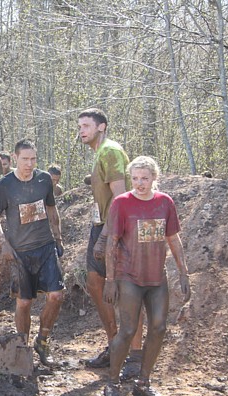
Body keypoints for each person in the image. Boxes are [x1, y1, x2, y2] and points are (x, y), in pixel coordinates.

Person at [102, 156, 190, 396]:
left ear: (154, 178)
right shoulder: (122, 203)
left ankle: (143, 383)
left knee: (159, 328)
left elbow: (173, 239)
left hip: (156, 277)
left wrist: (184, 272)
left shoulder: (165, 203)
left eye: (145, 178)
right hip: (129, 276)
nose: (140, 183)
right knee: (128, 330)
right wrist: (110, 280)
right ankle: (112, 383)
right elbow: (111, 242)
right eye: (136, 178)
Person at [0, 139, 64, 366]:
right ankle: (23, 345)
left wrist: (58, 237)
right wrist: (3, 243)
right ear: (15, 158)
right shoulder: (4, 185)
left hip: (45, 246)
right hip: (20, 252)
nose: (29, 164)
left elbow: (51, 208)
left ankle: (43, 340)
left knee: (57, 295)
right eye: (24, 159)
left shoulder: (43, 180)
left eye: (33, 159)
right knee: (24, 302)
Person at [78, 108, 143, 369]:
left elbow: (121, 197)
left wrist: (106, 235)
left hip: (118, 228)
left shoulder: (111, 150)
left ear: (101, 127)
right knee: (95, 283)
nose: (81, 130)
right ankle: (115, 343)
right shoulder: (98, 154)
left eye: (86, 125)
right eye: (79, 126)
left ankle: (134, 355)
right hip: (101, 223)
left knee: (128, 291)